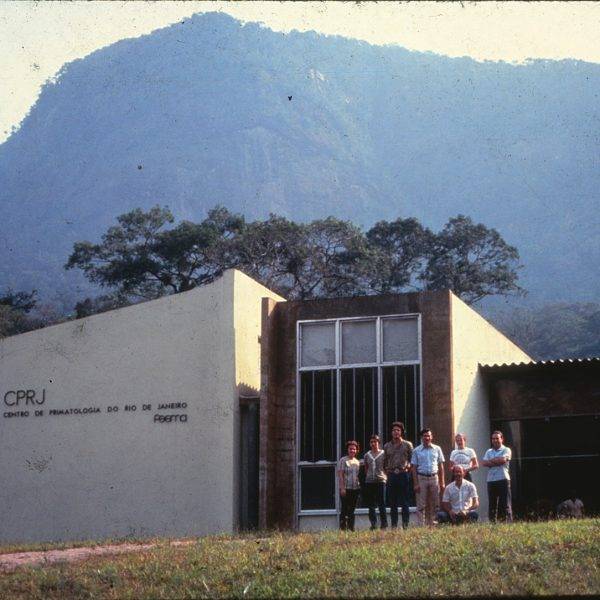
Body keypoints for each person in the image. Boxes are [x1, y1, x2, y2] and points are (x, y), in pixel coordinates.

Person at [411, 427, 445, 527]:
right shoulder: (416, 450)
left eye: (428, 436)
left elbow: (441, 466)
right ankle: (421, 526)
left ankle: (433, 525)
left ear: (431, 437)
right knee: (421, 504)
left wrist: (442, 482)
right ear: (422, 437)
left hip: (434, 478)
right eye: (425, 436)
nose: (427, 438)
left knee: (435, 503)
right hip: (421, 478)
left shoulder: (437, 449)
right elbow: (414, 468)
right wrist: (416, 483)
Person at [383, 421, 413, 529]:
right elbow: (384, 462)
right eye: (394, 430)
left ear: (401, 432)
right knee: (393, 503)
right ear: (391, 432)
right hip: (391, 475)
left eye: (398, 430)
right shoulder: (387, 446)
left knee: (405, 502)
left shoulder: (408, 444)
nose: (396, 432)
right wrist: (387, 472)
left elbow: (412, 460)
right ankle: (394, 526)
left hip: (403, 474)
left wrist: (408, 468)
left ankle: (405, 525)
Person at [482, 430, 512, 522]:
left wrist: (491, 461)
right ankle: (493, 524)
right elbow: (484, 463)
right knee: (492, 504)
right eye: (493, 439)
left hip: (503, 479)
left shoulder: (506, 450)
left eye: (497, 438)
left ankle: (506, 523)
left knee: (505, 503)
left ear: (502, 439)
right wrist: (497, 461)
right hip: (491, 480)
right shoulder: (488, 451)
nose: (495, 440)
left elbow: (503, 460)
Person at [363, 434, 388, 530]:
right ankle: (373, 524)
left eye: (375, 442)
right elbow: (366, 468)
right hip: (370, 481)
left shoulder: (383, 454)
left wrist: (385, 476)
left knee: (382, 503)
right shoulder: (367, 455)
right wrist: (369, 476)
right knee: (371, 504)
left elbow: (386, 466)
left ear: (378, 443)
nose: (373, 444)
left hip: (381, 480)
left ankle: (384, 524)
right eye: (371, 442)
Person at [337, 440, 361, 531]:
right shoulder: (343, 460)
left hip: (355, 488)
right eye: (350, 449)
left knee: (352, 510)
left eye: (354, 449)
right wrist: (342, 488)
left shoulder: (357, 462)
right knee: (344, 509)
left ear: (357, 450)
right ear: (347, 449)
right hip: (346, 488)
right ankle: (342, 529)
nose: (352, 451)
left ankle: (351, 528)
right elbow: (340, 475)